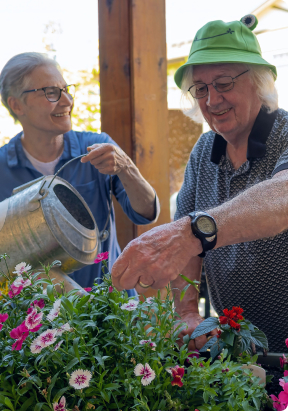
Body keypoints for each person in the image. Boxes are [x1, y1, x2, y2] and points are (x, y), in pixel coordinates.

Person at [111, 14, 288, 353]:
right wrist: (187, 312)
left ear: (260, 82)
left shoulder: (284, 132)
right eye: (201, 88)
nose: (211, 100)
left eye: (223, 83)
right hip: (237, 346)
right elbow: (188, 242)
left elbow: (283, 198)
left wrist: (193, 232)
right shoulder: (205, 149)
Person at [0, 52, 160, 297]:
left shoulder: (97, 147)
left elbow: (145, 213)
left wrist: (126, 168)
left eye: (66, 90)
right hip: (34, 328)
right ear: (16, 105)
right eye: (51, 92)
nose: (66, 100)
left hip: (110, 315)